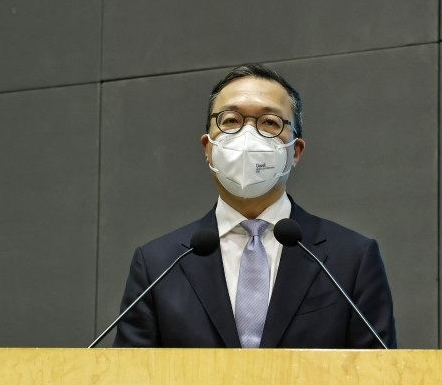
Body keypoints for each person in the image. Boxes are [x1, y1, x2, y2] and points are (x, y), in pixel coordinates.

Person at [113, 63, 397, 348]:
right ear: (208, 148)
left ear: (295, 152)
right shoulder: (158, 265)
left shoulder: (352, 259)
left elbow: (379, 368)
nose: (247, 136)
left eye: (270, 122)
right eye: (231, 120)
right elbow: (130, 369)